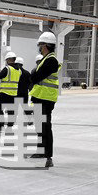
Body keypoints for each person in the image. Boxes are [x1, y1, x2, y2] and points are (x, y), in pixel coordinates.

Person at [30, 31, 60, 168]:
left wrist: (33, 74)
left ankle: (49, 156)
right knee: (39, 126)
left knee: (45, 126)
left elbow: (36, 77)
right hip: (40, 97)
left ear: (46, 45)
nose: (39, 47)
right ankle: (41, 151)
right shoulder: (45, 59)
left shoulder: (51, 60)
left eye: (40, 45)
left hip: (46, 98)